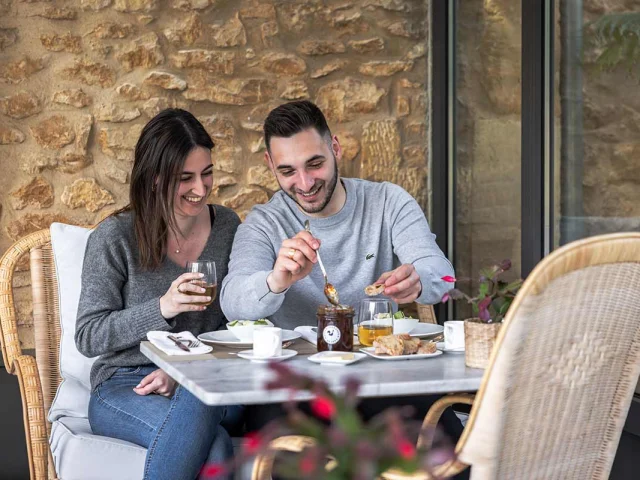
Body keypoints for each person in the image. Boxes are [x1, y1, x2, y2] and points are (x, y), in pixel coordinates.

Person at [219, 100, 463, 447]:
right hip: (295, 390)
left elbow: (444, 275)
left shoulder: (387, 202)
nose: (304, 183)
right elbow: (232, 303)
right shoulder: (264, 223)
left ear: (335, 148)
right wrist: (277, 281)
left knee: (455, 451)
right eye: (287, 171)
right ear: (270, 165)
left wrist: (420, 279)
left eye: (315, 164)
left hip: (379, 379)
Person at [76, 109, 242, 480]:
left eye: (207, 173)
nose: (201, 189)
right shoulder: (115, 238)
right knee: (214, 445)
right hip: (125, 384)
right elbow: (88, 336)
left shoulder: (227, 226)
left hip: (204, 378)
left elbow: (238, 324)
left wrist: (181, 371)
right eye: (185, 178)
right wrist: (162, 307)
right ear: (154, 180)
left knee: (201, 397)